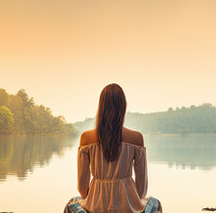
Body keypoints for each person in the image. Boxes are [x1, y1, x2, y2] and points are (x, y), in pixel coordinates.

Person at [64, 83, 162, 213]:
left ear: (101, 107)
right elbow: (142, 190)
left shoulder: (86, 138)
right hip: (129, 207)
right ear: (123, 107)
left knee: (72, 203)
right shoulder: (136, 138)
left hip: (95, 206)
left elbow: (82, 189)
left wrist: (96, 198)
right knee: (155, 203)